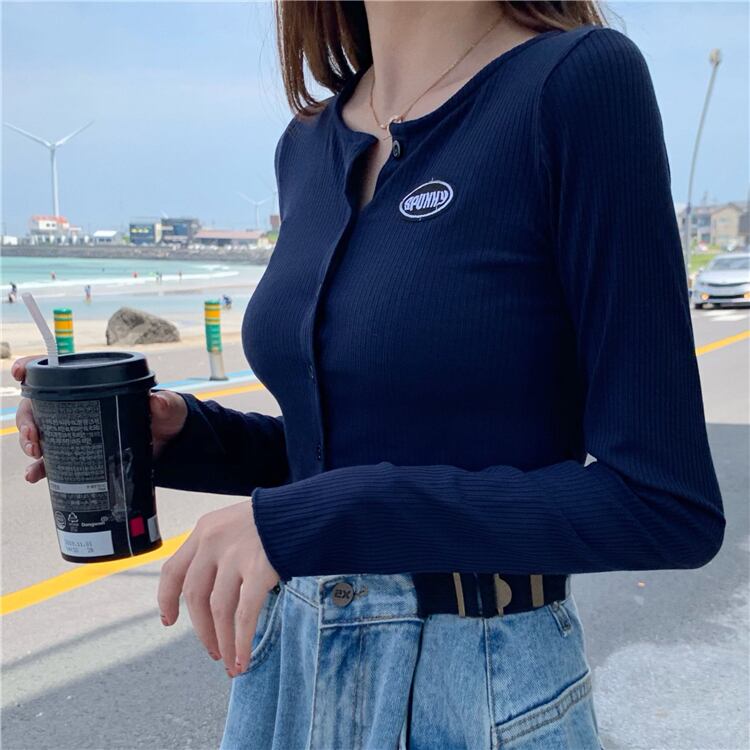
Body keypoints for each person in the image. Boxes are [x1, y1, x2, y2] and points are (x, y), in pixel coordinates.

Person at [13, 2, 726, 748]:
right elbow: (343, 453)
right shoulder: (307, 144)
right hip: (289, 671)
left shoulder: (576, 82)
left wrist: (319, 520)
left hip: (477, 688)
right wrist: (186, 437)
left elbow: (663, 506)